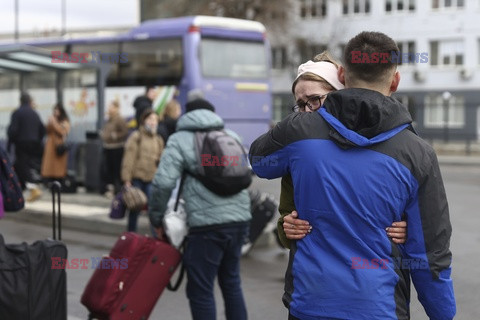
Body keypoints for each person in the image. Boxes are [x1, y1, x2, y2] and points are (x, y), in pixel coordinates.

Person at [249, 31, 455, 319]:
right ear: (395, 81)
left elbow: (259, 161)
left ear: (342, 75)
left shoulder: (297, 132)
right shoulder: (418, 154)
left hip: (310, 304)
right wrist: (442, 314)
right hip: (379, 307)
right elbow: (432, 254)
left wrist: (296, 121)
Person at [278, 52, 407, 248]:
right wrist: (288, 228)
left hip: (374, 270)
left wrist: (409, 228)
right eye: (300, 104)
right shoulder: (299, 153)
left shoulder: (384, 140)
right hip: (315, 272)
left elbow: (414, 209)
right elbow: (286, 217)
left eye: (314, 99)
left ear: (340, 95)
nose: (307, 111)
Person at [149, 98, 251, 320]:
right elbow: (246, 174)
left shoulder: (179, 139)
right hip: (240, 220)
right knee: (231, 282)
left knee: (201, 290)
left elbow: (163, 183)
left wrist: (156, 219)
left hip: (207, 226)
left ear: (188, 114)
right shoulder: (231, 136)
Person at [121, 109, 164, 232]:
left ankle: (154, 236)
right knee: (135, 208)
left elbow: (162, 160)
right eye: (150, 119)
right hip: (137, 178)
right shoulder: (136, 136)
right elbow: (129, 159)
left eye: (155, 120)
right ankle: (131, 234)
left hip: (151, 178)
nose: (152, 122)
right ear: (144, 120)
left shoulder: (159, 139)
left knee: (152, 209)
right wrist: (126, 179)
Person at [7, 92, 45, 201]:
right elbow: (42, 129)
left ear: (20, 101)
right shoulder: (34, 113)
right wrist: (37, 141)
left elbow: (13, 130)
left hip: (21, 143)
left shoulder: (17, 113)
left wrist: (10, 143)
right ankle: (19, 189)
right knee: (19, 165)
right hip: (34, 144)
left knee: (22, 165)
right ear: (29, 101)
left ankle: (33, 187)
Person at [100, 100, 129, 196]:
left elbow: (125, 132)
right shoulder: (109, 119)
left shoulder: (119, 119)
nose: (109, 109)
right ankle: (110, 189)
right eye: (109, 106)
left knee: (116, 170)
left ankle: (117, 190)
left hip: (116, 148)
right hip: (108, 147)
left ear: (116, 108)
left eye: (112, 107)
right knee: (108, 170)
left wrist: (115, 136)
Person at [41, 103, 71, 186]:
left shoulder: (65, 121)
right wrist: (49, 123)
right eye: (54, 110)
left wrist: (54, 122)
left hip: (59, 146)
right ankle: (49, 180)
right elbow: (47, 131)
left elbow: (62, 131)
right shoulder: (53, 120)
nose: (55, 112)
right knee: (49, 165)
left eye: (57, 110)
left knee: (58, 166)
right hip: (50, 145)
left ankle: (59, 180)